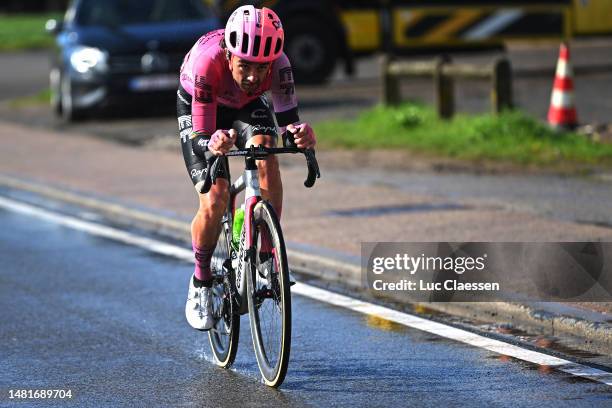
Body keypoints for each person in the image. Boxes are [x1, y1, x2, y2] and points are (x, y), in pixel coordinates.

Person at [177, 5, 317, 330]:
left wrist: (302, 137)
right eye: (245, 66)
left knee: (267, 151)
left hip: (245, 106)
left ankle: (267, 256)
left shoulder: (280, 65)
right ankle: (200, 281)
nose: (254, 77)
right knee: (215, 198)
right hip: (201, 105)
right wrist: (213, 144)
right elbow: (201, 135)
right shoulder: (207, 62)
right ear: (229, 55)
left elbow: (289, 124)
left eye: (262, 68)